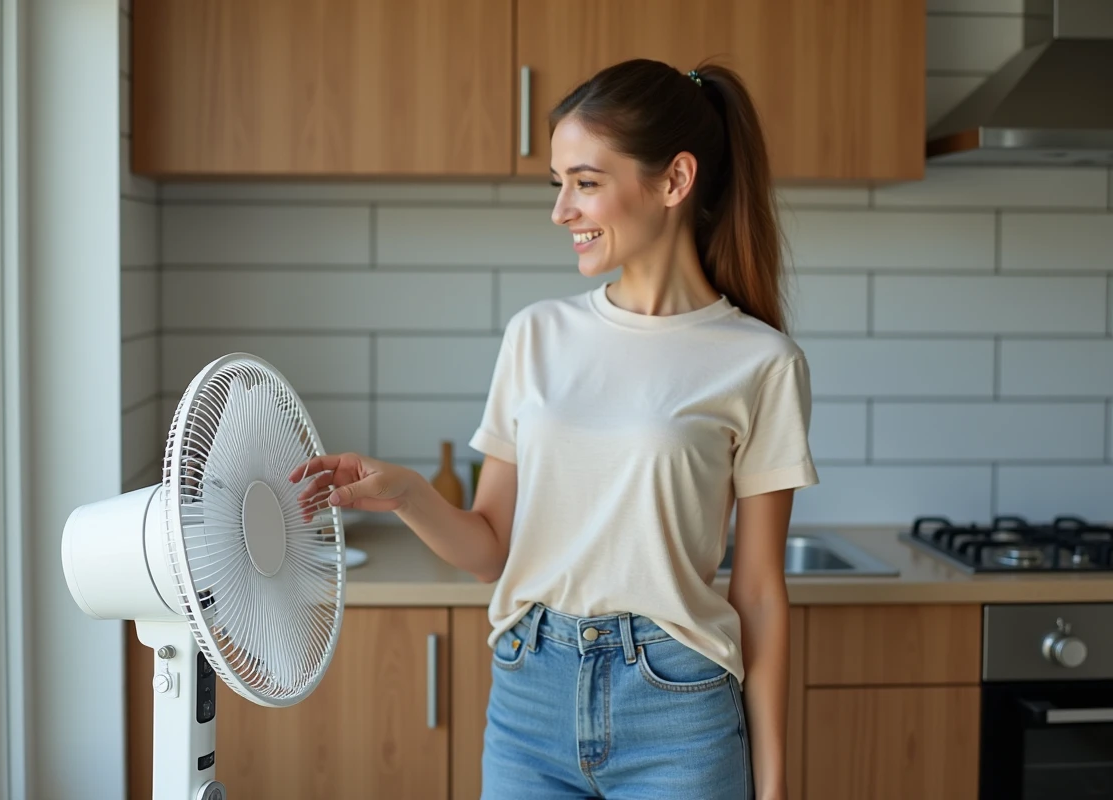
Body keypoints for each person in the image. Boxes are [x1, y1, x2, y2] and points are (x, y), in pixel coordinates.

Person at [289, 57, 818, 800]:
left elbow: (760, 592)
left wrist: (773, 783)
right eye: (558, 184)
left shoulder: (761, 363)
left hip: (677, 708)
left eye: (586, 182)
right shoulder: (535, 335)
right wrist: (407, 493)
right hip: (529, 699)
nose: (561, 210)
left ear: (674, 181)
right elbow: (490, 552)